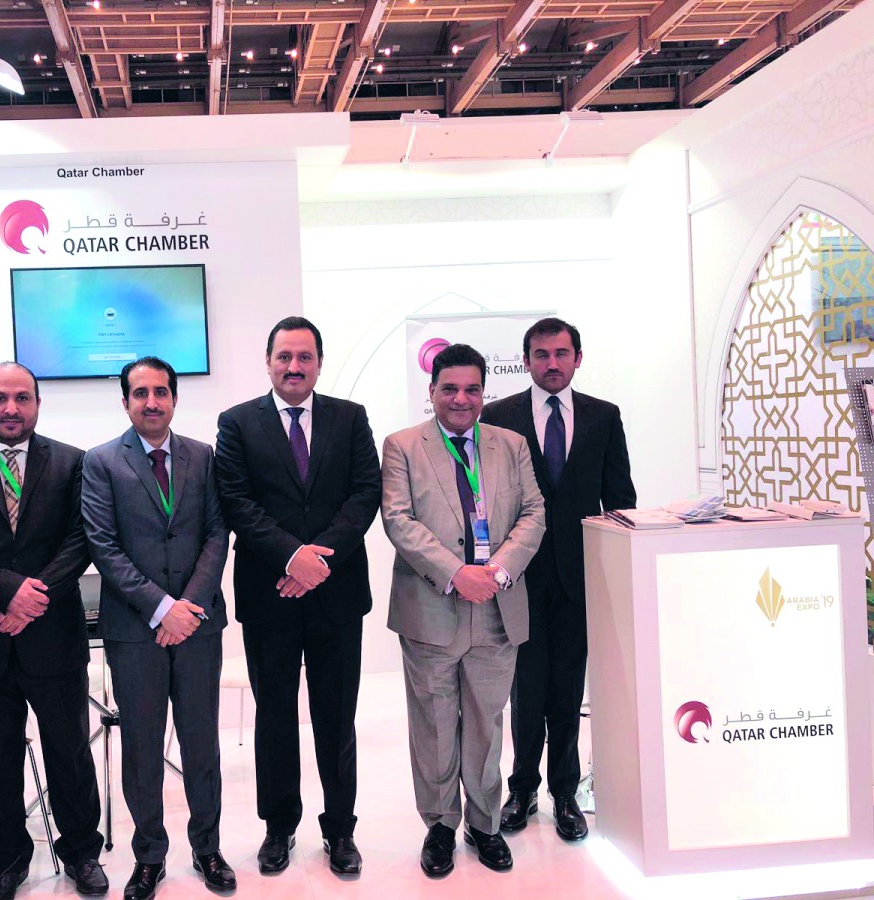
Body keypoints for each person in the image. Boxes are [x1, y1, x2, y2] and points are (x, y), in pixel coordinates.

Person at [0, 362, 106, 900]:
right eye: (0, 398)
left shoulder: (73, 462)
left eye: (22, 398)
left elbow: (81, 539)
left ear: (37, 403)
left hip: (55, 636)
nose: (12, 408)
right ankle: (8, 859)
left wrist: (32, 598)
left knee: (70, 750)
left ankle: (82, 852)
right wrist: (8, 590)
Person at [215, 316, 381, 877]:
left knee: (337, 718)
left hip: (335, 595)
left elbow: (365, 495)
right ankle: (278, 826)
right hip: (270, 595)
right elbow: (236, 502)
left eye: (304, 357)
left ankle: (341, 830)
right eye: (284, 356)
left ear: (318, 363)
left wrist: (317, 560)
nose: (293, 366)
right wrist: (292, 557)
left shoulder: (349, 418)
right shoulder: (237, 423)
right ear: (268, 362)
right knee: (276, 715)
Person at [381, 343, 545, 877]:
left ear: (483, 392)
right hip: (431, 608)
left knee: (486, 722)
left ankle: (484, 823)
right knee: (431, 723)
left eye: (472, 389)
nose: (461, 398)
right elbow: (399, 520)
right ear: (431, 392)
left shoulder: (511, 444)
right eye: (449, 388)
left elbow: (534, 513)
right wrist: (457, 573)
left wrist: (495, 572)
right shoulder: (403, 446)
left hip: (497, 607)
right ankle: (440, 826)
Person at [81, 357, 233, 900]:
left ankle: (207, 847)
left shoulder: (203, 456)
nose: (152, 401)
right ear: (125, 401)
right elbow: (104, 545)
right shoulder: (101, 462)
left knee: (201, 743)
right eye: (140, 393)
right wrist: (159, 607)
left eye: (161, 392)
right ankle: (149, 856)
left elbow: (218, 534)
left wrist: (186, 606)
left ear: (174, 398)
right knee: (141, 747)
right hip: (134, 630)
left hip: (196, 626)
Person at [480, 317, 635, 842]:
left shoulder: (603, 417)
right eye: (541, 354)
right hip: (516, 575)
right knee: (525, 686)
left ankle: (565, 793)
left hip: (579, 576)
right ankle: (521, 788)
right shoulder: (497, 418)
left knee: (567, 688)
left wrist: (616, 571)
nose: (552, 363)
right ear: (525, 361)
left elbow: (620, 500)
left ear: (577, 358)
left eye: (561, 353)